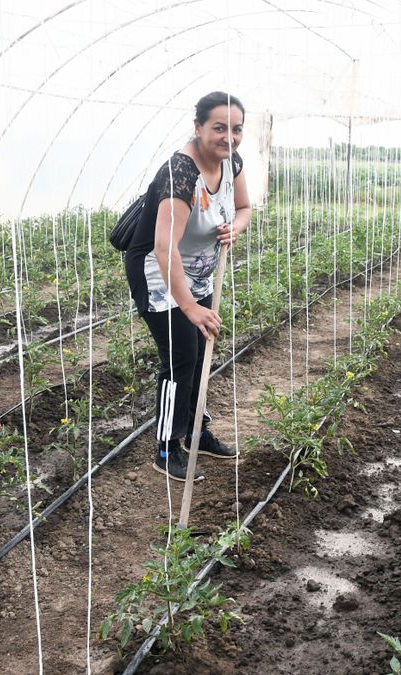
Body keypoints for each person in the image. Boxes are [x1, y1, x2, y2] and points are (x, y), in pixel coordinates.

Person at [124, 92, 251, 481]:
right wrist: (191, 308)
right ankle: (166, 447)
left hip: (195, 270)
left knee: (199, 352)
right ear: (197, 128)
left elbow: (244, 209)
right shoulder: (179, 172)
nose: (228, 137)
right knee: (180, 357)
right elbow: (164, 248)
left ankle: (196, 431)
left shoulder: (232, 164)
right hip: (157, 271)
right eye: (218, 128)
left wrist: (234, 228)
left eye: (236, 129)